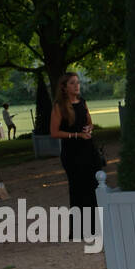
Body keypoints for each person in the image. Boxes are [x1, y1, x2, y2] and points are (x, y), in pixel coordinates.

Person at [49, 72, 99, 230]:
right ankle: (80, 228)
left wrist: (89, 128)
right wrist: (76, 135)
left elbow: (90, 122)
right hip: (72, 154)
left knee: (93, 186)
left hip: (88, 150)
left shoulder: (82, 102)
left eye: (77, 82)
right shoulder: (59, 107)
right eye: (72, 83)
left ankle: (96, 225)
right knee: (78, 188)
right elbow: (54, 133)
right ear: (64, 87)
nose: (77, 85)